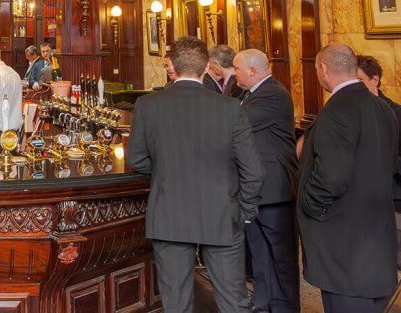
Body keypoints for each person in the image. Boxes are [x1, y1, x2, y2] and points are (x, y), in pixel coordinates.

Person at [126, 36, 263, 313]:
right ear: (206, 68)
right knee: (234, 301)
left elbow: (136, 159)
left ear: (171, 67)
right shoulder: (229, 108)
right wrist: (245, 210)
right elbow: (253, 170)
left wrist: (168, 169)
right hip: (223, 212)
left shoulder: (148, 106)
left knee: (176, 302)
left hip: (170, 212)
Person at [299, 43, 398, 313]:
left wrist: (309, 205)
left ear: (323, 69)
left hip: (344, 245)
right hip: (376, 236)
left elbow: (332, 177)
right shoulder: (384, 108)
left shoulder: (337, 111)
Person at [233, 49, 299, 313]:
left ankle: (285, 308)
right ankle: (263, 303)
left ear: (252, 71)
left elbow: (237, 123)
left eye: (236, 68)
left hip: (275, 190)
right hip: (255, 189)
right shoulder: (249, 93)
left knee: (281, 256)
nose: (233, 72)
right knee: (260, 252)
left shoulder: (273, 93)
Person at [357, 54, 401, 213]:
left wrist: (379, 160)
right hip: (359, 195)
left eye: (360, 81)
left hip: (393, 196)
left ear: (375, 80)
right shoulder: (349, 113)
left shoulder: (399, 113)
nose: (355, 88)